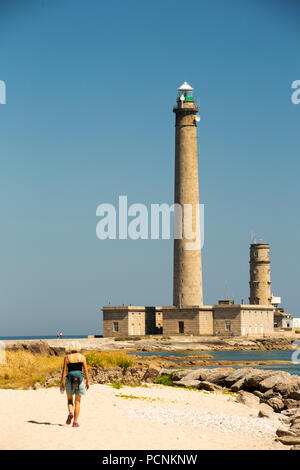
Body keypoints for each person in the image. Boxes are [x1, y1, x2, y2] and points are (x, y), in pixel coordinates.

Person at [60, 341, 90, 427]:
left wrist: (61, 383)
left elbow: (64, 371)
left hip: (69, 380)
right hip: (80, 381)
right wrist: (88, 381)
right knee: (77, 401)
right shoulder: (82, 357)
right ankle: (75, 422)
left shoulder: (67, 357)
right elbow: (86, 370)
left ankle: (70, 412)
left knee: (69, 400)